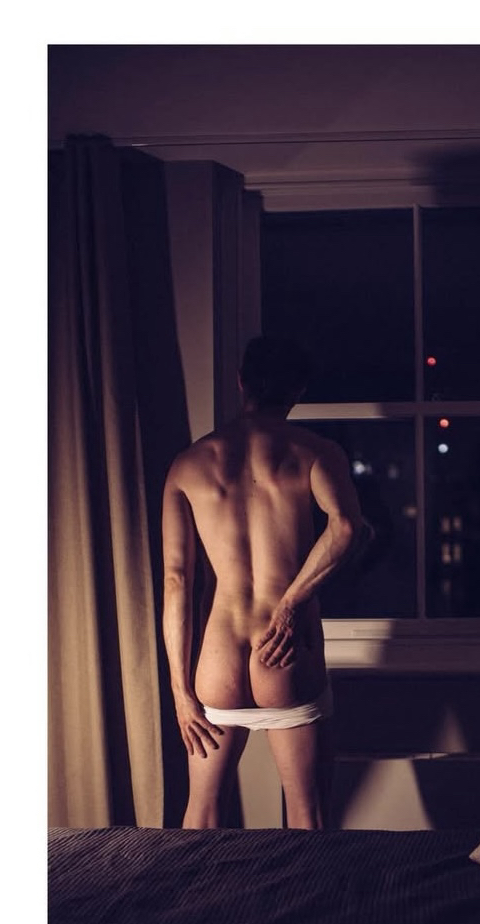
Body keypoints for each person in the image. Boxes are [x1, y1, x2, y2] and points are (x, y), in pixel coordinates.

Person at [161, 335, 364, 829]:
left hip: (219, 659)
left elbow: (176, 582)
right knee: (308, 818)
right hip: (283, 651)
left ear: (241, 382)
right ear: (299, 389)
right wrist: (291, 604)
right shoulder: (315, 452)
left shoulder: (188, 464)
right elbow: (347, 528)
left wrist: (181, 693)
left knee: (201, 815)